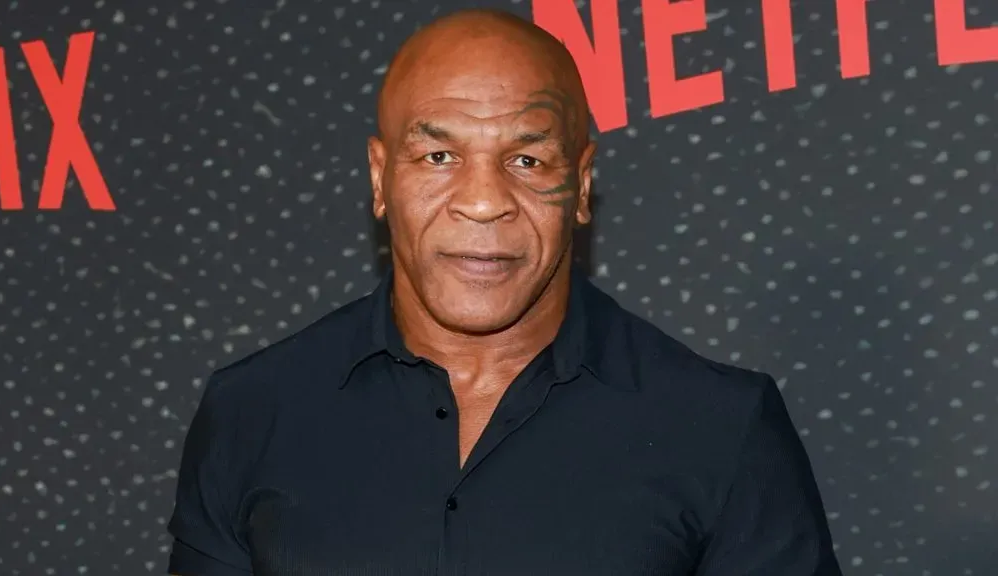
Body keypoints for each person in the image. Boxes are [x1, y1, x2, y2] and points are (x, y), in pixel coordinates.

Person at [166, 8, 843, 575]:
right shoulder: (253, 411)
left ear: (579, 186)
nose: (485, 201)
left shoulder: (721, 426)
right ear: (380, 178)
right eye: (439, 156)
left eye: (526, 159)